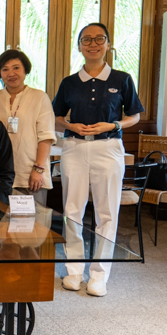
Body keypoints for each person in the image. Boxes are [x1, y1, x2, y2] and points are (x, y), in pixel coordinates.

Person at [53, 23, 143, 297]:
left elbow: (135, 115)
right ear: (79, 45)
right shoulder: (69, 82)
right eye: (86, 39)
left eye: (98, 39)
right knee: (72, 211)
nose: (93, 44)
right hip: (75, 148)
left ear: (107, 44)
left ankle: (100, 276)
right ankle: (74, 271)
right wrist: (71, 125)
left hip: (108, 148)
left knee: (107, 213)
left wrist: (112, 124)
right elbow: (56, 116)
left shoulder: (122, 79)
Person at [0, 50, 56, 204]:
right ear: (0, 74)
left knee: (33, 225)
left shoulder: (40, 97)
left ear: (25, 70)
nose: (11, 73)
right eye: (5, 69)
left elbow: (46, 137)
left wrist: (38, 169)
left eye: (16, 68)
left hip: (31, 174)